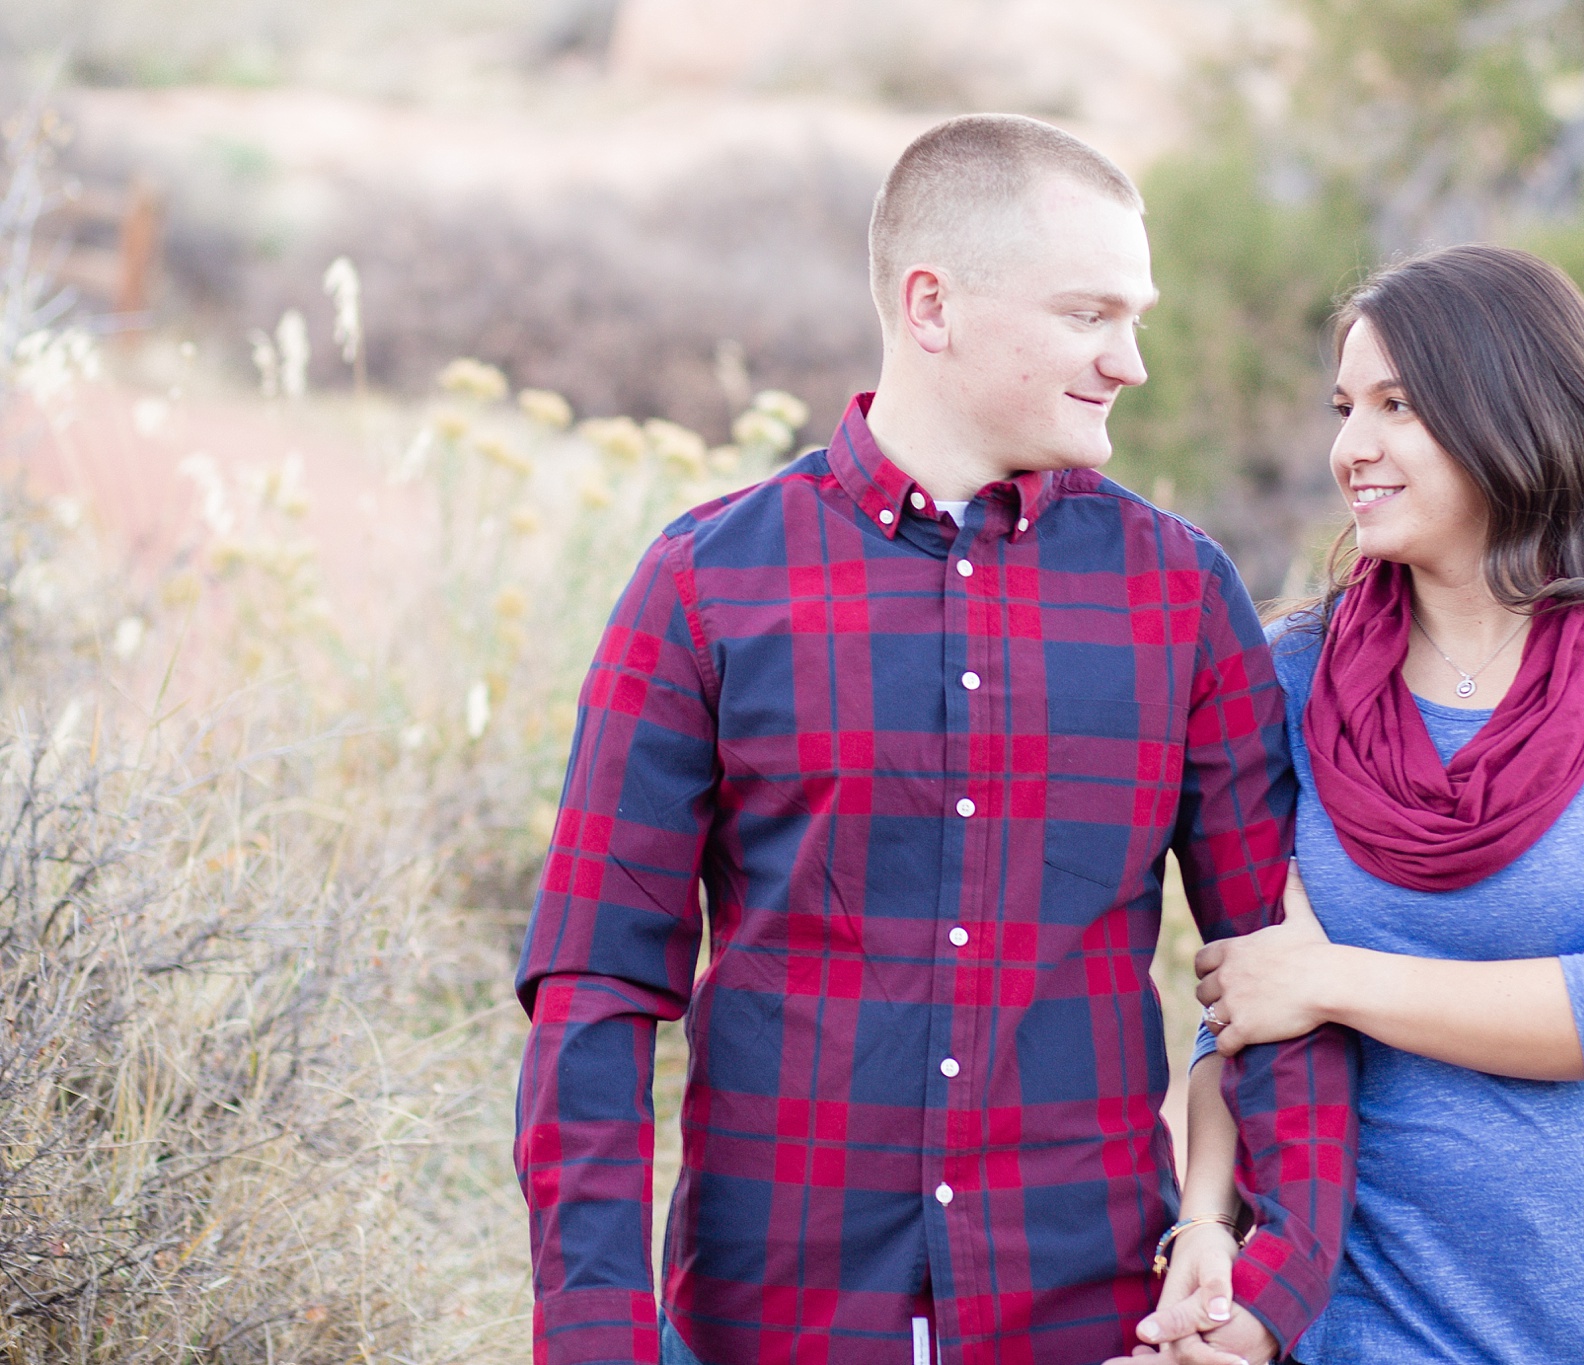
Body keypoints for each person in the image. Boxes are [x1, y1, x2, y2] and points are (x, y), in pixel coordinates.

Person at [512, 113, 1355, 1365]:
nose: (1128, 360)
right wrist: (593, 1333)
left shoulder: (1178, 596)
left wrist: (1268, 1285)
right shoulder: (703, 585)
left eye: (1136, 318)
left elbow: (1270, 975)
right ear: (931, 306)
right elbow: (594, 990)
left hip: (1091, 1322)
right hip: (773, 1320)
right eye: (1087, 315)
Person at [1146, 244, 1584, 1364]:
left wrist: (1333, 980)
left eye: (1397, 405)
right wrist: (1205, 1225)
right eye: (1343, 407)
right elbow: (1242, 999)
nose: (1351, 448)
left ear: (1512, 414)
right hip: (1361, 1326)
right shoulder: (1294, 677)